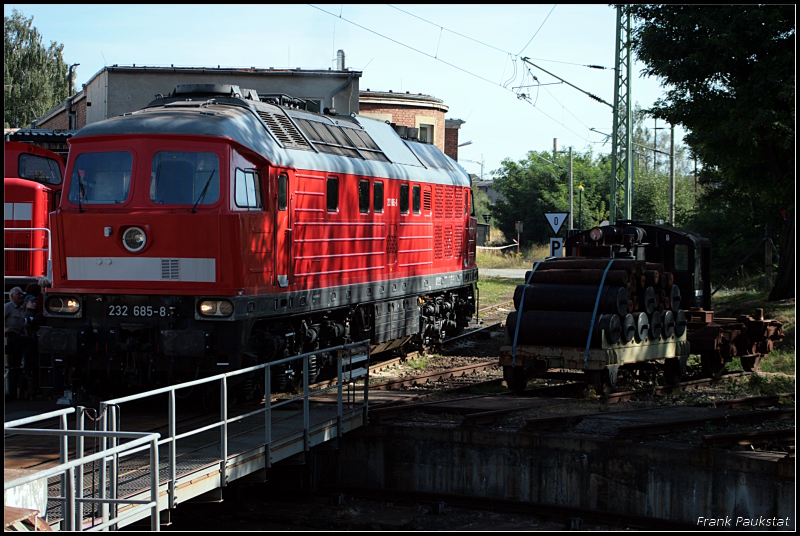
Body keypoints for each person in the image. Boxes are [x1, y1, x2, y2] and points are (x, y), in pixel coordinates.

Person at [5, 287, 35, 400]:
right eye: (19, 294)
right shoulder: (8, 307)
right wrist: (5, 329)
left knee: (14, 367)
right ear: (12, 296)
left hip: (19, 337)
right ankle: (26, 368)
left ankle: (13, 395)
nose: (21, 296)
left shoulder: (20, 310)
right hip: (12, 337)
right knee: (31, 343)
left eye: (22, 294)